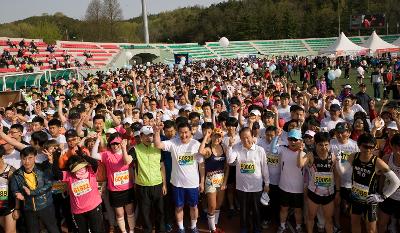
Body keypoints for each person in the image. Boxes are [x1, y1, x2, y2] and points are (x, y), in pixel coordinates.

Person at [336, 133, 400, 233]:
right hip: (355, 198)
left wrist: (382, 197)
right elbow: (342, 172)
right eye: (365, 146)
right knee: (355, 224)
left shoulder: (377, 162)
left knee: (371, 230)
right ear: (359, 145)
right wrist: (338, 161)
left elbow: (396, 182)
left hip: (370, 201)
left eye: (372, 147)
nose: (368, 150)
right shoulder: (354, 156)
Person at [154, 121, 205, 233]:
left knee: (194, 207)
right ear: (177, 133)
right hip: (177, 184)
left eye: (186, 132)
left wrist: (202, 182)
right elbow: (158, 145)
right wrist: (157, 132)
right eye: (181, 133)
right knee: (178, 207)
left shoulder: (196, 144)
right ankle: (181, 228)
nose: (184, 135)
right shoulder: (173, 143)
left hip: (193, 184)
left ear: (191, 132)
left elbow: (201, 165)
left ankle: (193, 227)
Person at [49, 146, 104, 233]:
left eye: (80, 166)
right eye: (76, 168)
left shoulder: (90, 171)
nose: (80, 170)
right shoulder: (69, 175)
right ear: (71, 169)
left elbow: (95, 163)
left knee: (97, 231)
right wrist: (56, 157)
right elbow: (56, 172)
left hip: (94, 208)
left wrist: (84, 155)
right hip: (78, 212)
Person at [227, 127, 269, 233]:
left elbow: (264, 167)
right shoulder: (237, 147)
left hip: (256, 187)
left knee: (256, 210)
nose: (246, 140)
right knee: (244, 210)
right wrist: (230, 146)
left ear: (252, 136)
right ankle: (244, 227)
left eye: (248, 137)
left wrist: (267, 183)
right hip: (242, 187)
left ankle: (256, 227)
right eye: (243, 138)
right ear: (240, 139)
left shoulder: (260, 150)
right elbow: (230, 160)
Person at [9, 147, 60, 233]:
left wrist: (32, 192)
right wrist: (16, 193)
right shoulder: (16, 174)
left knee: (53, 229)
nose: (27, 161)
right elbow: (14, 189)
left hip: (45, 205)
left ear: (35, 157)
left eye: (30, 158)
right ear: (21, 159)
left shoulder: (42, 169)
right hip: (28, 208)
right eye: (24, 158)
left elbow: (49, 184)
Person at [92, 134, 135, 233]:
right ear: (110, 145)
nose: (115, 146)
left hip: (127, 188)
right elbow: (93, 155)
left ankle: (131, 230)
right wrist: (98, 140)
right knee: (119, 214)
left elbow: (125, 162)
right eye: (113, 144)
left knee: (130, 212)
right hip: (115, 190)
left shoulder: (127, 153)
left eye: (117, 143)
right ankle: (124, 231)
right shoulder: (107, 154)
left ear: (121, 143)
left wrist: (124, 149)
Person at [298, 132, 340, 233]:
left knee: (329, 219)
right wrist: (300, 151)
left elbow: (337, 176)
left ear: (329, 144)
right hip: (314, 194)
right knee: (310, 217)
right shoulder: (310, 155)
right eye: (320, 145)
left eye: (326, 144)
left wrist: (338, 191)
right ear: (315, 144)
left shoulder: (333, 157)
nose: (323, 147)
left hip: (329, 195)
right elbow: (300, 164)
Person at [131, 126, 167, 233]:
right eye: (145, 135)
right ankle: (147, 230)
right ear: (141, 136)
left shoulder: (158, 148)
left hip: (157, 184)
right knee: (145, 212)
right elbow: (127, 161)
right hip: (142, 186)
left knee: (160, 211)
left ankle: (160, 230)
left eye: (150, 135)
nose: (148, 137)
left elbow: (162, 167)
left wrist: (164, 184)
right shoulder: (135, 149)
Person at [199, 128, 229, 233]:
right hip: (210, 180)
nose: (217, 138)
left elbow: (227, 166)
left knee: (218, 205)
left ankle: (214, 225)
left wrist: (225, 182)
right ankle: (213, 229)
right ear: (212, 136)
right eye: (215, 136)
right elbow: (200, 151)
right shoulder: (208, 149)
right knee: (212, 206)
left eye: (219, 136)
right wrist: (206, 136)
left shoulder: (224, 148)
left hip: (221, 179)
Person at [277, 129, 305, 233]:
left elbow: (299, 165)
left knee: (298, 210)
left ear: (300, 141)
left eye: (295, 140)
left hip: (298, 189)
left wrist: (300, 151)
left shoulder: (305, 154)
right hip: (284, 186)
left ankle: (298, 227)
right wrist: (277, 136)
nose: (293, 142)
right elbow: (272, 151)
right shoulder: (283, 150)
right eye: (290, 139)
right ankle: (282, 226)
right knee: (283, 209)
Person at [378, 133, 400, 233]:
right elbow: (382, 177)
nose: (398, 152)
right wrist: (379, 192)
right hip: (388, 196)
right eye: (396, 148)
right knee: (382, 224)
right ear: (391, 146)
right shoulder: (386, 159)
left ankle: (394, 223)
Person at [0, 145, 18, 233]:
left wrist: (17, 209)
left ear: (2, 156)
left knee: (9, 231)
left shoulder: (10, 170)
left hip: (9, 205)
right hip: (0, 205)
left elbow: (17, 191)